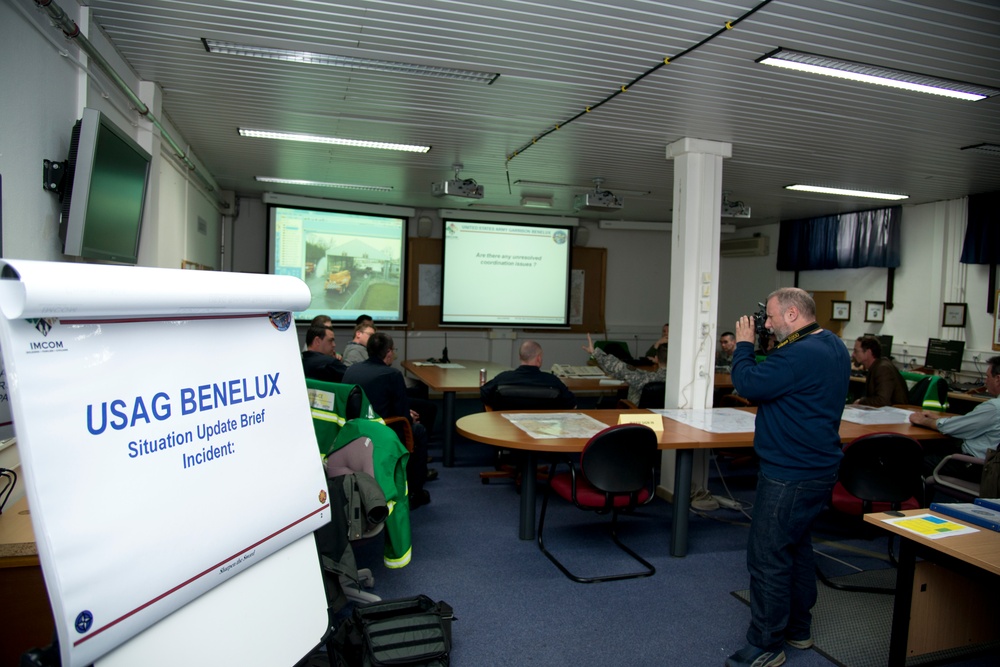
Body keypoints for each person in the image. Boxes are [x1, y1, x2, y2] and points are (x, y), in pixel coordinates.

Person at [726, 287, 850, 667]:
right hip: (819, 469)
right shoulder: (832, 345)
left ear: (793, 315)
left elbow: (747, 384)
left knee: (767, 557)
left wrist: (743, 346)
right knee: (796, 550)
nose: (766, 323)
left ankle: (766, 644)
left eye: (772, 317)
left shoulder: (798, 355)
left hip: (789, 474)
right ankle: (798, 629)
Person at [343, 332, 433, 509]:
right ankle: (415, 491)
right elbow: (402, 417)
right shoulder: (392, 374)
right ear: (389, 352)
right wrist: (408, 417)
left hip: (353, 432)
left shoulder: (352, 370)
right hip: (382, 433)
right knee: (418, 431)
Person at [909, 355, 1000, 483]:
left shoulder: (994, 408)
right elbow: (973, 422)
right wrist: (939, 418)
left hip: (974, 466)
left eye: (987, 377)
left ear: (998, 379)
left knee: (912, 459)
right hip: (991, 468)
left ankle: (914, 502)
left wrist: (924, 421)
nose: (985, 381)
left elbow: (952, 428)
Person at [481, 340, 576, 408]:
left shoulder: (503, 378)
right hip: (543, 431)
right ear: (539, 358)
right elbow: (571, 403)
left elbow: (485, 394)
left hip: (507, 429)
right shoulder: (553, 381)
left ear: (520, 357)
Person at [583, 333, 665, 406]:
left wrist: (595, 353)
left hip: (637, 417)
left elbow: (619, 368)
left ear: (656, 358)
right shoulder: (675, 381)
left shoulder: (644, 378)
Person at [851, 335, 908, 407]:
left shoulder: (883, 369)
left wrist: (861, 401)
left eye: (856, 351)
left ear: (868, 352)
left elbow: (882, 400)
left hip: (895, 412)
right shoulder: (877, 366)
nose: (853, 354)